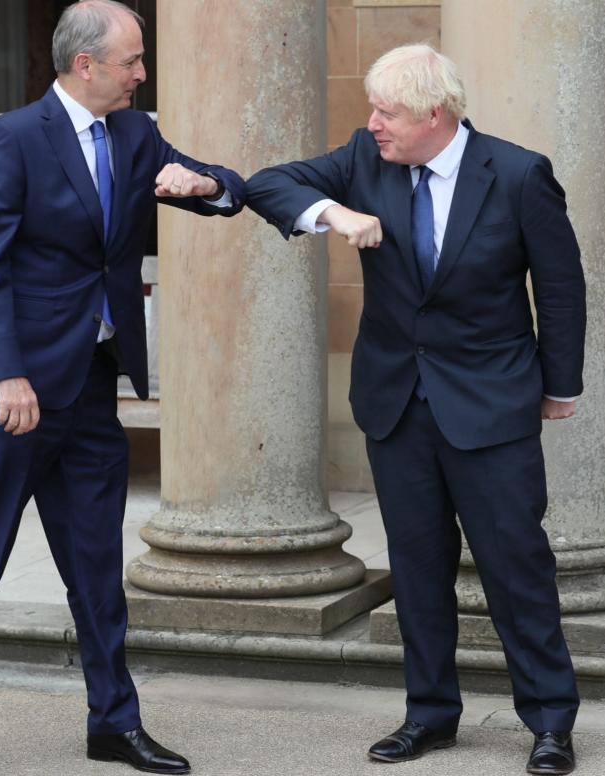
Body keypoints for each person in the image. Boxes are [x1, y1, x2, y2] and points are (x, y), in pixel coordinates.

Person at [0, 3, 244, 775]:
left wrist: (204, 181)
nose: (143, 74)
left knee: (94, 564)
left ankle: (114, 722)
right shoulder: (13, 137)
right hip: (18, 395)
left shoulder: (136, 135)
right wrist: (6, 371)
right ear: (86, 66)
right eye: (132, 61)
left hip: (92, 388)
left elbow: (221, 189)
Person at [246, 43, 585, 776]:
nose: (372, 123)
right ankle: (430, 715)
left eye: (387, 111)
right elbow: (266, 185)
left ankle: (551, 721)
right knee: (417, 567)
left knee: (515, 566)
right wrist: (333, 212)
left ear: (436, 115)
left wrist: (561, 386)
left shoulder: (520, 174)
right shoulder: (365, 161)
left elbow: (559, 289)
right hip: (396, 404)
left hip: (491, 405)